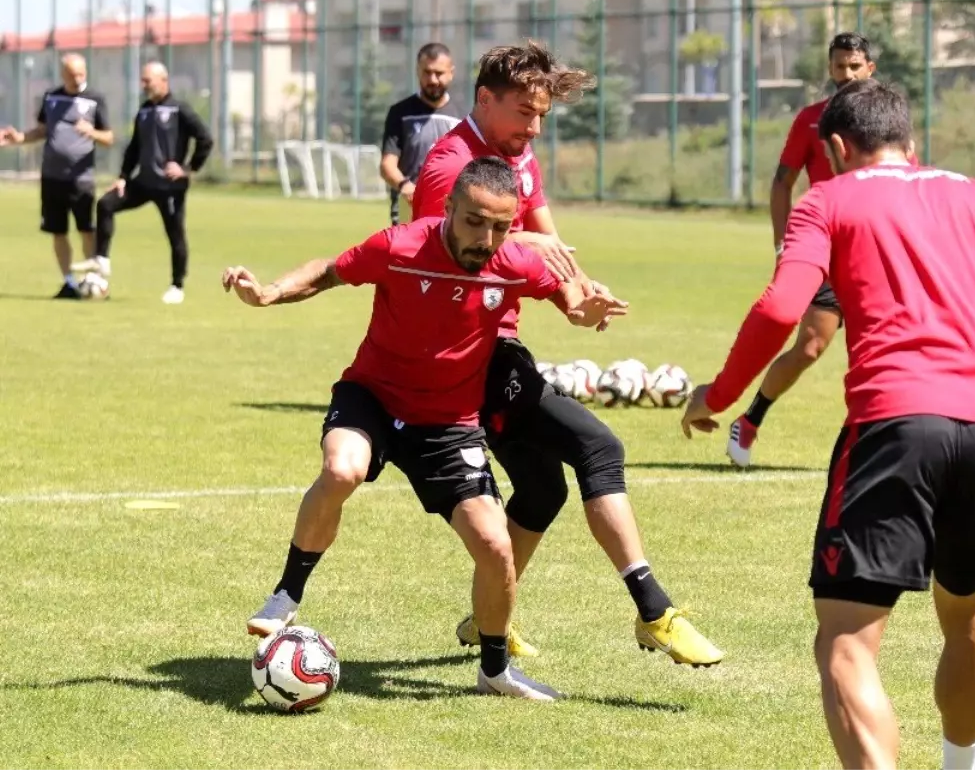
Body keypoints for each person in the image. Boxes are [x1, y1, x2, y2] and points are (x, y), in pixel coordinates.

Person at [682, 79, 975, 769]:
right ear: (911, 141)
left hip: (891, 427)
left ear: (833, 148)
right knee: (969, 615)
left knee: (844, 642)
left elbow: (779, 308)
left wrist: (719, 394)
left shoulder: (826, 198)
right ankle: (964, 760)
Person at [248, 42, 724, 669]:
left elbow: (548, 241)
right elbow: (450, 251)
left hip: (498, 340)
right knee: (598, 448)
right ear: (483, 101)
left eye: (542, 117)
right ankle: (653, 611)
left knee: (540, 491)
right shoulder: (452, 170)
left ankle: (486, 618)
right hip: (476, 353)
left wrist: (582, 293)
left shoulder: (517, 157)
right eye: (523, 112)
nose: (533, 128)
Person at [226, 157, 627, 701]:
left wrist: (588, 310)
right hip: (373, 397)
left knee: (495, 545)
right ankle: (286, 594)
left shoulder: (512, 263)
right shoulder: (400, 246)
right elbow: (329, 270)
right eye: (473, 221)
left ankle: (494, 671)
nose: (485, 239)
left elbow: (570, 303)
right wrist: (269, 292)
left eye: (501, 227)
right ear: (448, 209)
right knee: (343, 469)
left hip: (447, 425)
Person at [727, 32, 877, 468]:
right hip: (827, 255)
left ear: (870, 68)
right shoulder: (813, 119)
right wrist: (783, 246)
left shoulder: (887, 121)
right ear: (830, 68)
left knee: (876, 351)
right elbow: (782, 183)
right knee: (809, 347)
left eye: (854, 66)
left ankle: (873, 440)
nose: (846, 74)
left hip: (876, 256)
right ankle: (750, 421)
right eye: (839, 66)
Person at [72, 62, 213, 304]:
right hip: (143, 183)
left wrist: (188, 169)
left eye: (148, 80)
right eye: (143, 80)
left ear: (163, 80)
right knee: (106, 204)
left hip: (170, 187)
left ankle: (177, 286)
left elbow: (205, 139)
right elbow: (134, 148)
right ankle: (102, 260)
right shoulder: (144, 110)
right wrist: (123, 177)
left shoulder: (180, 109)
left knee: (175, 234)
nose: (144, 85)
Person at [0, 54, 113, 299]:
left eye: (81, 74)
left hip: (81, 178)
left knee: (86, 229)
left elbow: (109, 138)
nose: (78, 79)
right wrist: (19, 138)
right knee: (57, 231)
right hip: (51, 177)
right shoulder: (51, 97)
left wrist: (91, 131)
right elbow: (42, 130)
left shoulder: (94, 99)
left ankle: (93, 279)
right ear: (63, 75)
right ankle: (68, 282)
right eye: (72, 75)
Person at [379, 43, 464, 225]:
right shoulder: (400, 113)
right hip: (408, 210)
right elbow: (387, 164)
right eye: (427, 72)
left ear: (451, 73)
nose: (433, 79)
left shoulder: (464, 116)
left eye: (439, 73)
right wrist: (405, 186)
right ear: (418, 71)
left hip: (452, 211)